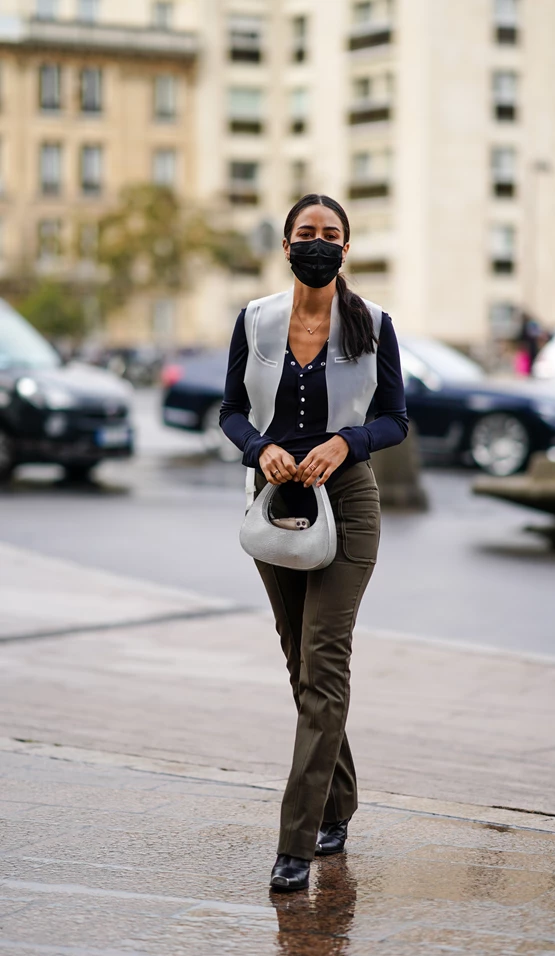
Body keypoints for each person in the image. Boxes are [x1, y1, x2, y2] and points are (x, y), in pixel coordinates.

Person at [219, 193, 408, 892]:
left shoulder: (374, 325)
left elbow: (395, 420)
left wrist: (347, 440)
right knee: (302, 664)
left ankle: (296, 842)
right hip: (276, 503)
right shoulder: (256, 319)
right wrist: (257, 448)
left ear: (347, 248)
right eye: (306, 232)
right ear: (287, 244)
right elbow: (231, 411)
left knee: (324, 661)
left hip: (348, 503)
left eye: (330, 234)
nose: (317, 242)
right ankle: (342, 799)